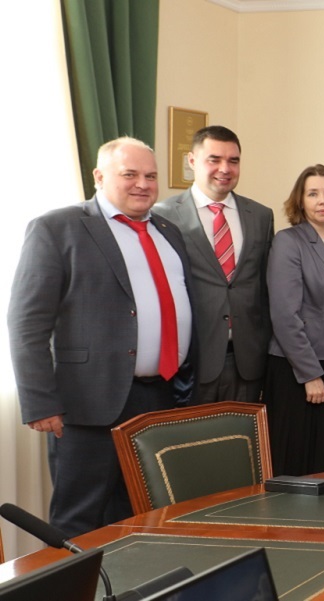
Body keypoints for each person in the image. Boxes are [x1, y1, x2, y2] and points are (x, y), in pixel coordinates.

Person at [10, 137, 193, 537]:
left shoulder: (168, 231)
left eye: (151, 176)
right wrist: (41, 403)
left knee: (142, 515)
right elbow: (27, 322)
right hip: (85, 403)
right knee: (80, 519)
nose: (142, 184)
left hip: (158, 397)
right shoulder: (57, 227)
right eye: (129, 174)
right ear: (99, 176)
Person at [153, 125, 273, 404]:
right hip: (192, 361)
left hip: (247, 361)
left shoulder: (260, 216)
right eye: (214, 159)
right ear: (192, 161)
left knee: (244, 444)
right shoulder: (163, 215)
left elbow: (265, 288)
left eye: (233, 160)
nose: (225, 168)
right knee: (194, 444)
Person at [264, 164, 324, 476]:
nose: (323, 200)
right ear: (301, 201)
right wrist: (309, 374)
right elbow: (284, 315)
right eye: (313, 193)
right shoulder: (288, 241)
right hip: (301, 368)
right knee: (304, 461)